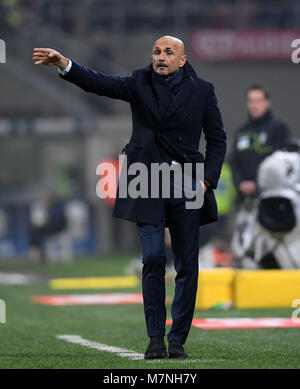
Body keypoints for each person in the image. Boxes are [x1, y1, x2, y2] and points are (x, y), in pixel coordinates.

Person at [32, 35, 226, 359]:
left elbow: (217, 138)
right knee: (151, 258)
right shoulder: (139, 81)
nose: (160, 57)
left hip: (187, 183)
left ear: (183, 59)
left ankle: (177, 339)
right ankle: (155, 337)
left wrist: (207, 181)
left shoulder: (203, 90)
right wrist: (65, 64)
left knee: (187, 264)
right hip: (146, 180)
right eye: (156, 51)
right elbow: (100, 83)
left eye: (168, 52)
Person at [230, 84, 291, 202]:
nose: (254, 105)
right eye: (251, 101)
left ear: (267, 102)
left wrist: (257, 184)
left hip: (271, 198)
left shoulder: (279, 129)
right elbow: (234, 162)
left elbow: (284, 162)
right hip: (244, 200)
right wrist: (240, 183)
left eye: (259, 100)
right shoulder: (242, 131)